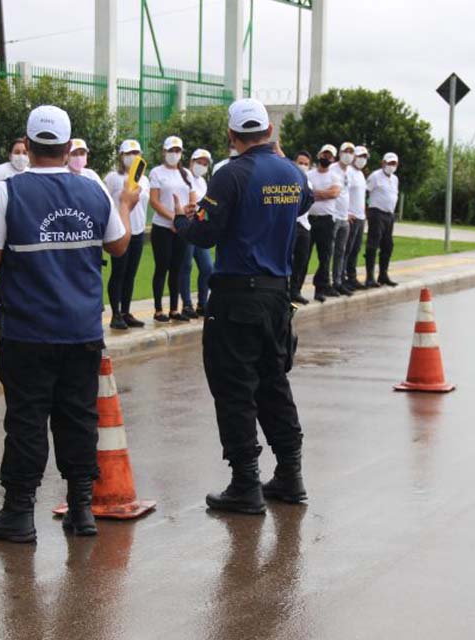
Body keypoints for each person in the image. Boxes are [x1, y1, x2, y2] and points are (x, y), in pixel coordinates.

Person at [0, 105, 138, 542]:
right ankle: (82, 510)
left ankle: (19, 514)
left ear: (28, 145)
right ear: (67, 147)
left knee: (26, 420)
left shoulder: (6, 193)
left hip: (27, 332)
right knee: (79, 417)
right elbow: (119, 245)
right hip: (82, 331)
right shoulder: (94, 191)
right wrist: (124, 204)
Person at [172, 97, 313, 514]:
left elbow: (204, 233)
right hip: (276, 296)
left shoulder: (231, 174)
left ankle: (245, 483)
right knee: (273, 383)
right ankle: (290, 473)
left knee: (234, 388)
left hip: (237, 296)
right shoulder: (293, 172)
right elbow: (303, 203)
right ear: (270, 131)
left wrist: (183, 220)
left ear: (232, 136)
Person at [148, 135, 196, 323]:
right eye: (171, 150)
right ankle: (158, 309)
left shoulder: (186, 174)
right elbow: (154, 201)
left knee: (177, 268)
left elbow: (192, 198)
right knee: (162, 267)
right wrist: (174, 218)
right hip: (163, 227)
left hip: (181, 228)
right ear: (164, 152)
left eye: (177, 150)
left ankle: (174, 308)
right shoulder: (157, 172)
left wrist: (186, 215)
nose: (174, 154)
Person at [105, 139, 150, 330]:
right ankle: (115, 313)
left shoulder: (144, 180)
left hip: (138, 230)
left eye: (136, 153)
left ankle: (125, 311)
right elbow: (106, 202)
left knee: (130, 273)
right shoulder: (113, 178)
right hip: (120, 231)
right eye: (128, 154)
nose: (132, 157)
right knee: (119, 272)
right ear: (121, 156)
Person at [179, 148, 215, 318]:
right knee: (186, 266)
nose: (201, 166)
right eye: (199, 162)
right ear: (191, 162)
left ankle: (202, 302)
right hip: (188, 226)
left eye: (205, 163)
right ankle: (187, 304)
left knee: (207, 267)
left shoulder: (202, 182)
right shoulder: (185, 176)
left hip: (199, 227)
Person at [306, 144, 342, 302]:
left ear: (333, 159)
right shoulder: (309, 175)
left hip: (326, 220)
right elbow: (305, 193)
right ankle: (295, 289)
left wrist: (315, 193)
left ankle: (320, 289)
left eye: (329, 156)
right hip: (309, 219)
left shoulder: (334, 176)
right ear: (319, 154)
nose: (326, 158)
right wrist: (323, 194)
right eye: (324, 154)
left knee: (325, 256)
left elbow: (334, 193)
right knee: (303, 256)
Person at [365, 152, 401, 287]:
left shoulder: (395, 179)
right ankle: (370, 277)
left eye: (394, 163)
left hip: (389, 215)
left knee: (388, 245)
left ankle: (383, 274)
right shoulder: (375, 176)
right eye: (389, 163)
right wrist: (366, 209)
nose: (391, 166)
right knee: (373, 244)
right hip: (376, 213)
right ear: (383, 163)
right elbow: (365, 192)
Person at [329, 142, 355, 297]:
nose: (348, 155)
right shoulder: (332, 169)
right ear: (340, 153)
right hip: (333, 216)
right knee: (329, 251)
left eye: (351, 152)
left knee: (341, 251)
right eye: (346, 151)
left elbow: (348, 193)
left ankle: (338, 282)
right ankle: (326, 282)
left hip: (344, 217)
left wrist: (349, 211)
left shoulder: (350, 171)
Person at [289, 151, 314, 305]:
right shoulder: (288, 179)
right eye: (300, 163)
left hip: (304, 225)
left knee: (302, 259)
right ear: (294, 163)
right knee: (287, 259)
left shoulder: (308, 183)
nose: (303, 166)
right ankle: (284, 291)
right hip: (290, 224)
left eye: (306, 164)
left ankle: (296, 290)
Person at [344, 145, 369, 289]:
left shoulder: (360, 174)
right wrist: (346, 213)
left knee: (355, 249)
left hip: (360, 217)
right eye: (360, 156)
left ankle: (351, 276)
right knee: (347, 249)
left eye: (365, 157)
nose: (362, 159)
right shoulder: (348, 171)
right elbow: (344, 192)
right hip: (351, 216)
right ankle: (342, 277)